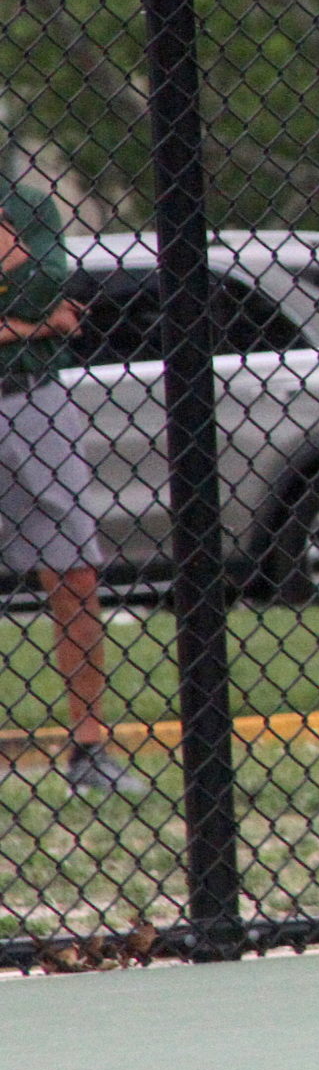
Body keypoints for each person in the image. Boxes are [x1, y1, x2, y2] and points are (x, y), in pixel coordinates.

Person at [0, 164, 139, 797]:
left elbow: (48, 281)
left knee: (75, 569)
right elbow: (38, 301)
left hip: (34, 398)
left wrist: (25, 316)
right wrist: (33, 323)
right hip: (29, 371)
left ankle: (88, 749)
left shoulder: (28, 204)